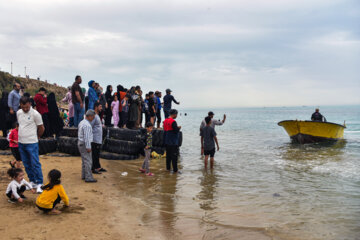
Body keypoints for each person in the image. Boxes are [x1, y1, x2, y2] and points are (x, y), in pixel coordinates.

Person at [17, 96, 45, 193]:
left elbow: (41, 128)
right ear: (20, 105)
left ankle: (40, 183)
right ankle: (32, 181)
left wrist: (37, 137)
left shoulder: (35, 114)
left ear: (30, 104)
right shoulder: (19, 113)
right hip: (21, 142)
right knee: (26, 163)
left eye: (27, 107)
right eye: (23, 107)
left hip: (32, 143)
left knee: (35, 163)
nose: (25, 109)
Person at [78, 110, 97, 183]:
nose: (93, 118)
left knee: (84, 160)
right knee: (88, 161)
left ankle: (84, 175)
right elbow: (87, 137)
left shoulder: (81, 122)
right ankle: (88, 177)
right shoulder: (87, 125)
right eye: (93, 117)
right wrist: (88, 147)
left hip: (80, 142)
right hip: (85, 144)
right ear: (89, 116)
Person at [163, 109, 181, 173]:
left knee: (168, 156)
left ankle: (168, 169)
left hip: (167, 141)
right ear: (174, 114)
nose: (176, 116)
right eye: (176, 114)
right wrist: (178, 128)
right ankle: (175, 170)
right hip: (173, 142)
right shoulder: (173, 121)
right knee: (174, 157)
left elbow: (164, 132)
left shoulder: (165, 121)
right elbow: (176, 130)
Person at [91, 102, 106, 174]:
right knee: (94, 154)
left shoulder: (97, 115)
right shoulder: (93, 115)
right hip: (94, 139)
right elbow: (90, 126)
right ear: (96, 107)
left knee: (97, 154)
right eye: (100, 106)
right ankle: (93, 169)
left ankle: (98, 167)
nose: (101, 108)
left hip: (98, 139)